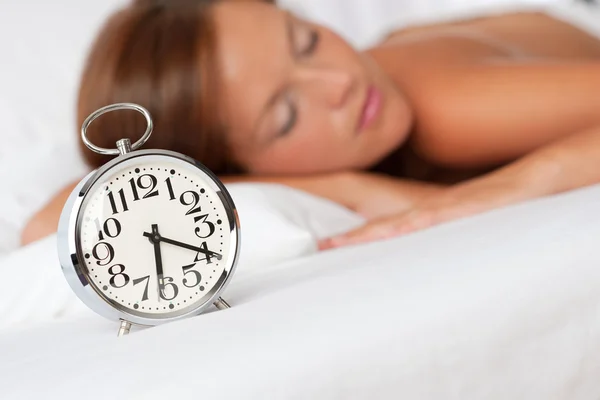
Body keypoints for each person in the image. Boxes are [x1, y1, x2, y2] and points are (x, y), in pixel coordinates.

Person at [21, 0, 600, 250]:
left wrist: (526, 182)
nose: (338, 81)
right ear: (236, 171)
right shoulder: (368, 143)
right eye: (286, 114)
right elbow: (51, 225)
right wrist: (345, 190)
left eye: (305, 40)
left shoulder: (439, 107)